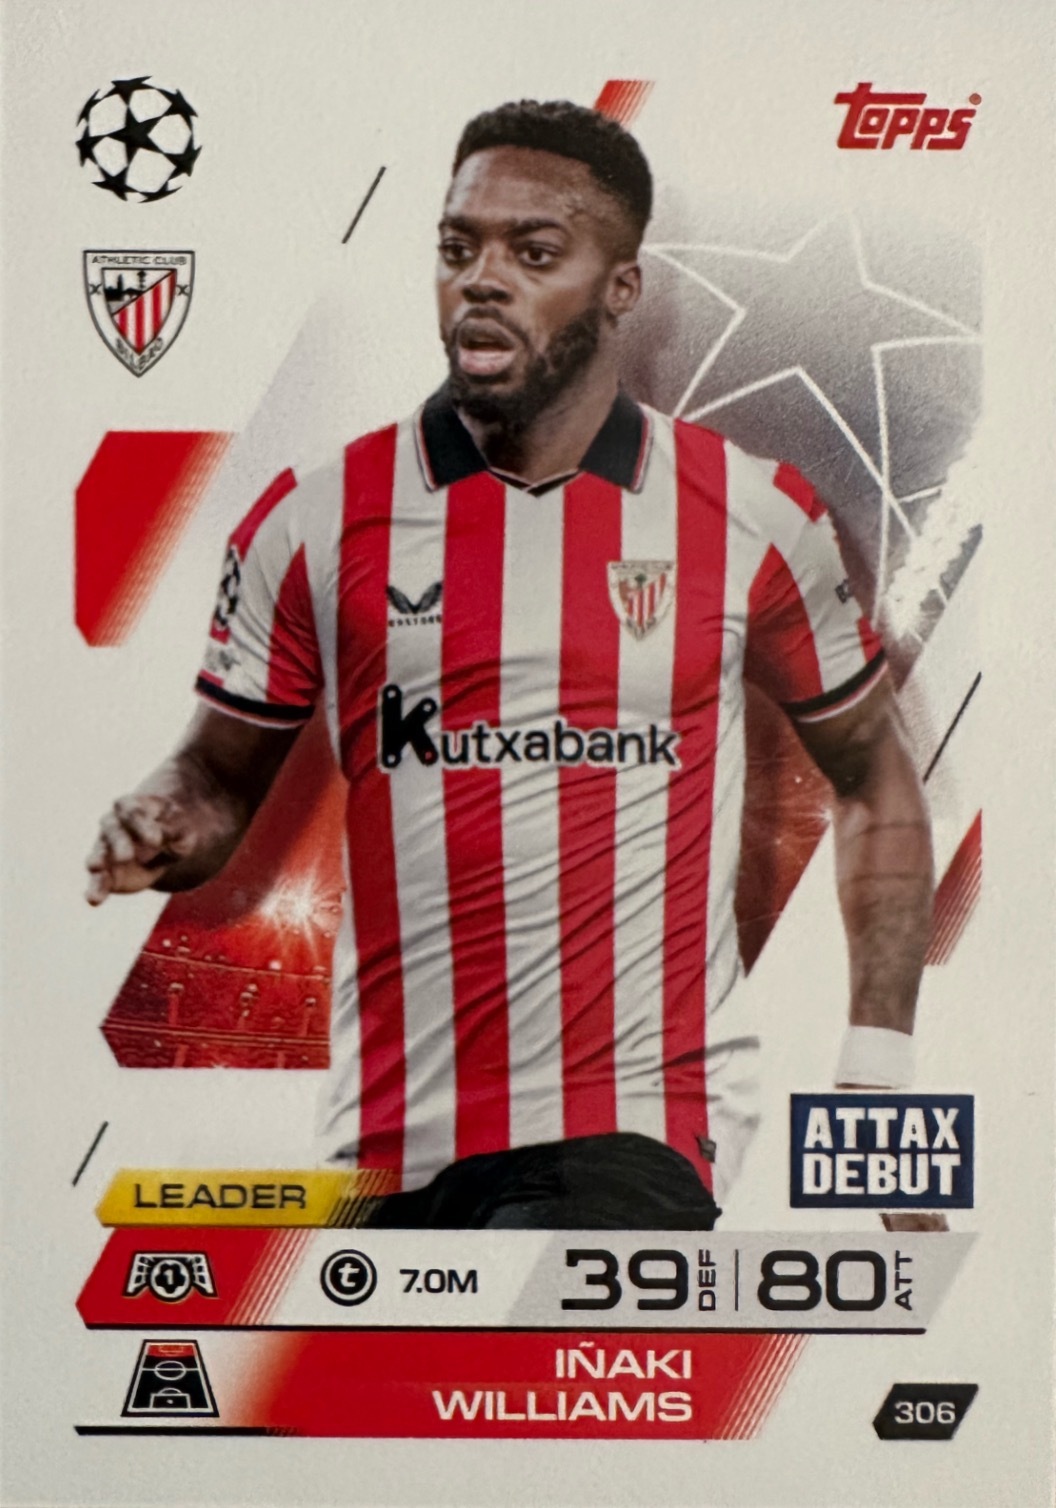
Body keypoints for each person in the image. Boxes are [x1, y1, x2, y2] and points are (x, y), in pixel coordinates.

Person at [85, 100, 934, 1231]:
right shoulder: (316, 519)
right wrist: (160, 820)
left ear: (622, 288)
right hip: (384, 1151)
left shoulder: (752, 515)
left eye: (534, 253)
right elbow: (216, 775)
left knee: (539, 1267)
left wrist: (877, 1073)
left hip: (633, 1131)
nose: (481, 280)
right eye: (458, 246)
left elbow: (874, 774)